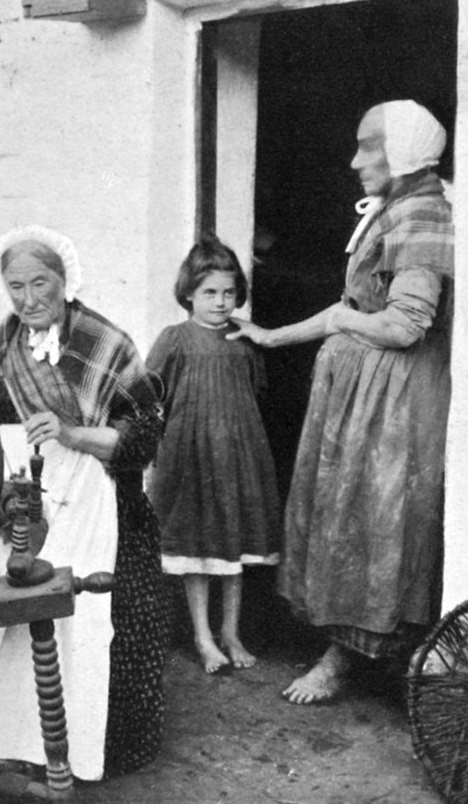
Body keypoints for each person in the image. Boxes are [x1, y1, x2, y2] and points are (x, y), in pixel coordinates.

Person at [0, 224, 173, 780]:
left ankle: (87, 742)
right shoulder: (3, 342)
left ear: (65, 281)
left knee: (91, 608)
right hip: (28, 498)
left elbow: (144, 440)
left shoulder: (105, 342)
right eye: (15, 287)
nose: (28, 299)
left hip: (103, 498)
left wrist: (70, 433)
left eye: (39, 283)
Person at [228, 100, 454, 704]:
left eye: (366, 147)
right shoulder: (400, 207)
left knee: (376, 521)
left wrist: (334, 318)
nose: (355, 161)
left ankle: (355, 657)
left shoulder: (424, 214)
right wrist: (274, 336)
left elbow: (407, 323)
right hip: (367, 389)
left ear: (402, 151)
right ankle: (353, 650)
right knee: (350, 515)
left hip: (395, 395)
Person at [146, 237, 281, 675]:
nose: (220, 302)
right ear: (188, 293)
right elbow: (149, 396)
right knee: (199, 545)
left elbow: (256, 393)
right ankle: (203, 637)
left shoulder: (245, 340)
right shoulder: (176, 340)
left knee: (234, 543)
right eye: (209, 293)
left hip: (239, 454)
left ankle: (231, 632)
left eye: (228, 293)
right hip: (192, 457)